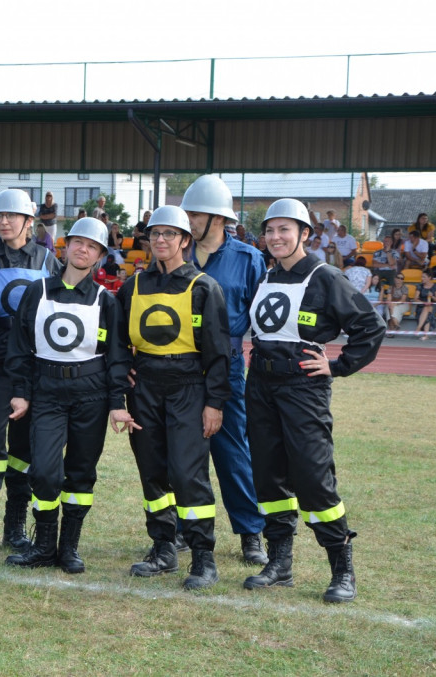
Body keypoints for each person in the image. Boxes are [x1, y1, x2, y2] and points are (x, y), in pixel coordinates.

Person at [243, 198, 384, 603]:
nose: (275, 238)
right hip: (261, 387)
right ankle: (280, 563)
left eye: (285, 230)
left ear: (305, 233)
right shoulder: (267, 276)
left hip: (303, 390)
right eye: (270, 231)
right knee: (268, 476)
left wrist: (338, 366)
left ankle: (343, 572)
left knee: (313, 477)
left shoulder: (326, 278)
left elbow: (369, 327)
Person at [3, 217, 132, 574]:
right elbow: (19, 347)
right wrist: (20, 393)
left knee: (80, 473)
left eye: (92, 246)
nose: (83, 249)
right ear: (66, 246)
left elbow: (118, 357)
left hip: (90, 393)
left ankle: (69, 548)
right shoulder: (38, 291)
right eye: (77, 242)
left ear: (100, 256)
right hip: (46, 392)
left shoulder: (107, 301)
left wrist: (117, 404)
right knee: (44, 471)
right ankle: (43, 545)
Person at [117, 206, 231, 589]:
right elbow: (118, 345)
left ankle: (203, 557)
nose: (161, 240)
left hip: (188, 388)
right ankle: (163, 548)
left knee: (187, 473)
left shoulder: (203, 287)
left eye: (170, 233)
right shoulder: (131, 287)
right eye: (155, 234)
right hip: (144, 386)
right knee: (152, 472)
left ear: (185, 240)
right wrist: (123, 381)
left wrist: (214, 403)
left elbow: (219, 352)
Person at [0, 189, 62, 565]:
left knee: (24, 451)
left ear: (29, 221)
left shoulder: (48, 260)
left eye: (11, 216)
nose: (3, 221)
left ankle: (15, 526)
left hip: (34, 368)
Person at [181, 175, 269, 565]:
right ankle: (187, 529)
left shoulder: (249, 259)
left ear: (217, 218)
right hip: (177, 365)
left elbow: (266, 320)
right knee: (182, 453)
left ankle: (251, 532)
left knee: (233, 451)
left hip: (227, 367)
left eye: (194, 214)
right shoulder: (174, 255)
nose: (188, 221)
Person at [414, 269, 436, 340]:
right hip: (421, 305)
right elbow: (415, 298)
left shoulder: (435, 286)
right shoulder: (419, 286)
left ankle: (418, 327)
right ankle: (426, 335)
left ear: (429, 278)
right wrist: (423, 303)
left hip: (432, 305)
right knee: (427, 312)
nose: (422, 279)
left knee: (427, 308)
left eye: (424, 277)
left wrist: (432, 296)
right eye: (422, 277)